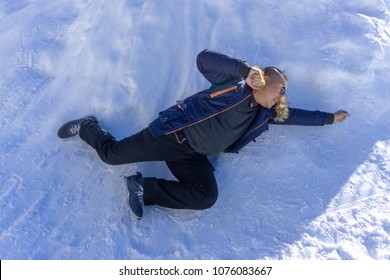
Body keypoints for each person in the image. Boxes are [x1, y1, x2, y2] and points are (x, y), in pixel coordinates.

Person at [58, 49, 350, 220]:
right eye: (281, 88)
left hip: (193, 155)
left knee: (205, 197)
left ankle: (143, 189)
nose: (283, 95)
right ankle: (88, 127)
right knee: (110, 155)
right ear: (264, 81)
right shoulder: (234, 86)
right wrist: (243, 69)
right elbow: (203, 59)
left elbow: (297, 115)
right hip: (171, 136)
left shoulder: (268, 114)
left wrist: (329, 119)